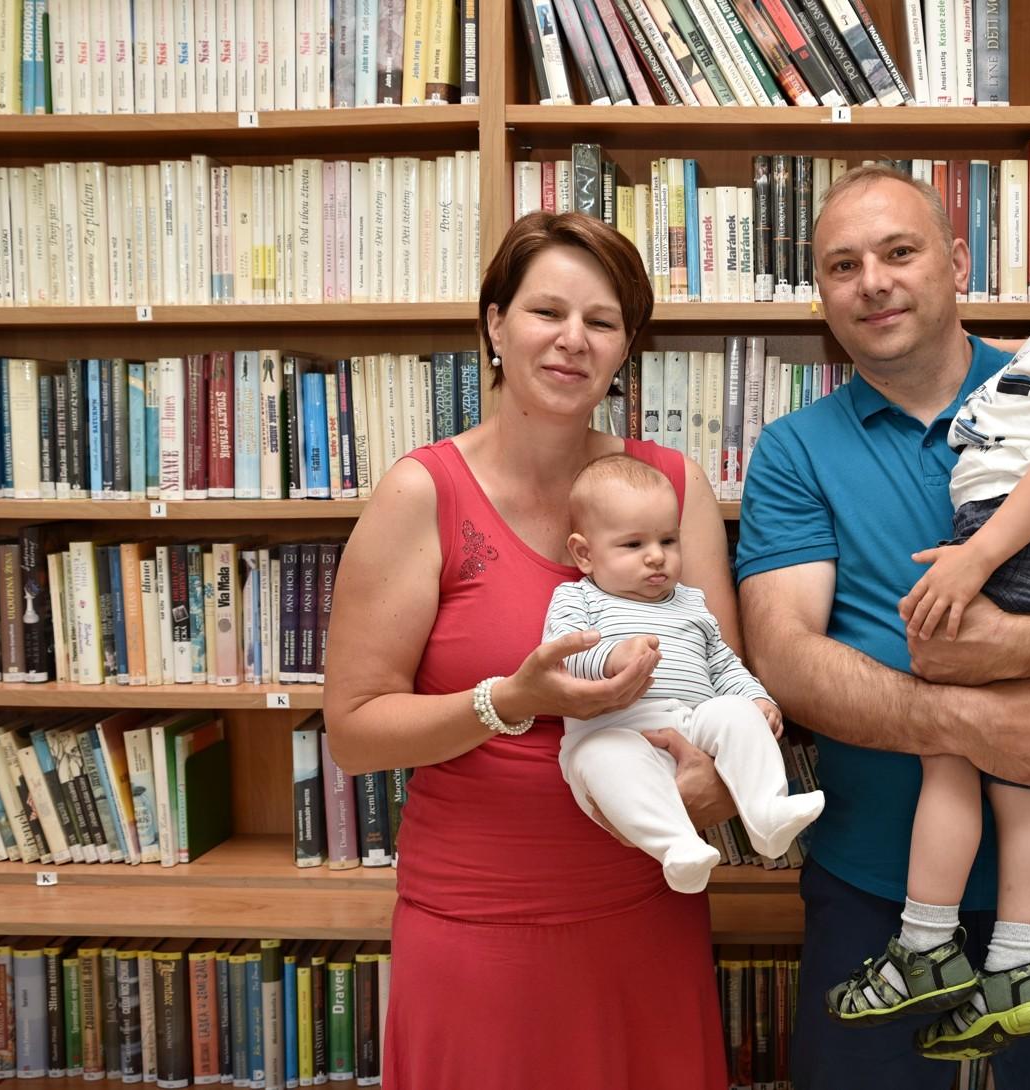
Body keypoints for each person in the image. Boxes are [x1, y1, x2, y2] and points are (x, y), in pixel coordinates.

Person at [734, 163, 1030, 1088]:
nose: (873, 282)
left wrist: (1016, 647)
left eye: (899, 252)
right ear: (821, 296)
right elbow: (786, 659)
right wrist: (966, 720)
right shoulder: (796, 449)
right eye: (843, 265)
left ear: (957, 262)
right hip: (873, 888)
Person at [323, 211, 734, 1090]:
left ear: (626, 348)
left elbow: (720, 690)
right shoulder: (421, 493)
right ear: (495, 325)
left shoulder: (675, 487)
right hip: (478, 928)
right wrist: (509, 702)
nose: (572, 339)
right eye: (548, 311)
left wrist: (717, 780)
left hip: (644, 910)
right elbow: (353, 733)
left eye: (602, 321)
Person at [543, 453, 824, 894]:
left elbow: (723, 663)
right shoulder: (576, 599)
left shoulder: (690, 601)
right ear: (584, 553)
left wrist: (755, 698)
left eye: (668, 541)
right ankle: (677, 847)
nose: (656, 557)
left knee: (736, 712)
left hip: (693, 725)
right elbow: (559, 657)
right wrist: (611, 657)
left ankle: (767, 814)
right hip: (613, 731)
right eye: (633, 545)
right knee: (602, 759)